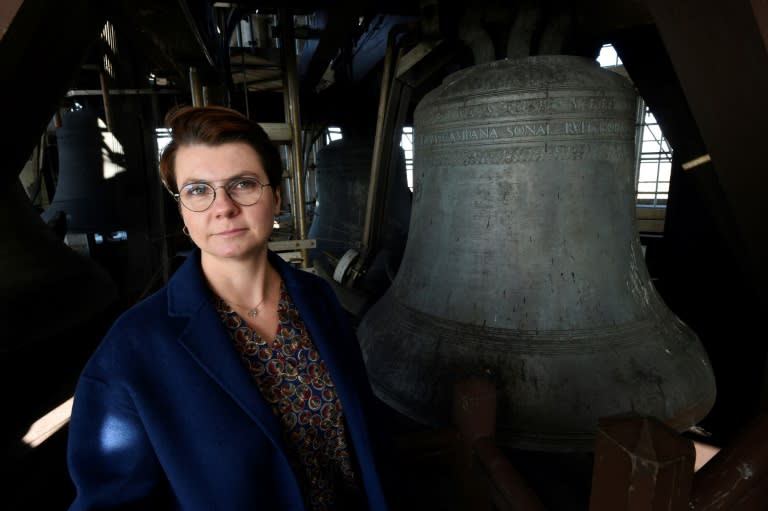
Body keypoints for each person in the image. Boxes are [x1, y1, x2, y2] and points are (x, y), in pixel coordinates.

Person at [66, 105, 396, 510]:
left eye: (242, 184)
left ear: (276, 199)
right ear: (183, 213)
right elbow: (110, 501)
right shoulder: (134, 347)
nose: (223, 207)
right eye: (198, 190)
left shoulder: (317, 299)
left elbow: (363, 436)